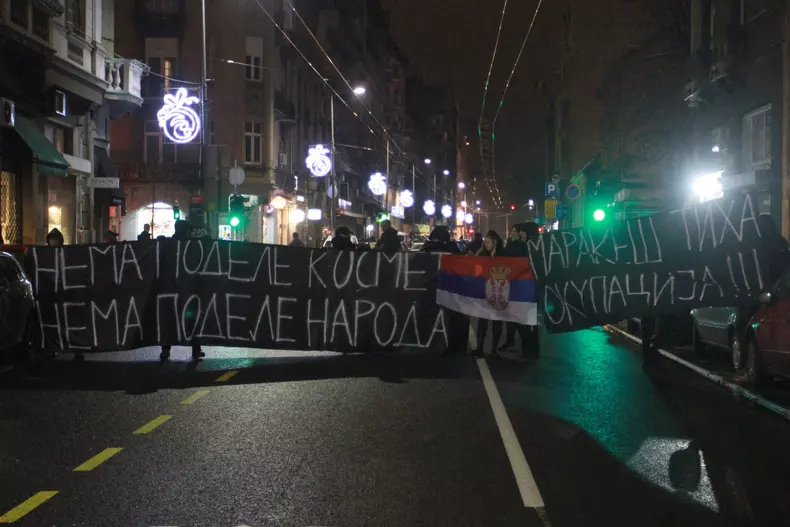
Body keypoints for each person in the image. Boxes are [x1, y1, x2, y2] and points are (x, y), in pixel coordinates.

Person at [160, 220, 206, 362]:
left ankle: (168, 350)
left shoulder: (171, 244)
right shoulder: (189, 245)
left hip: (177, 291)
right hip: (184, 291)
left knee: (173, 320)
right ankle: (194, 349)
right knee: (189, 320)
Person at [474, 230, 504, 358]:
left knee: (497, 322)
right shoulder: (481, 254)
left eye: (488, 242)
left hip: (498, 293)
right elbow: (475, 270)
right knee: (483, 321)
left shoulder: (503, 255)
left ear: (494, 242)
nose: (486, 244)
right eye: (485, 242)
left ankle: (494, 349)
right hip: (484, 292)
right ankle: (479, 347)